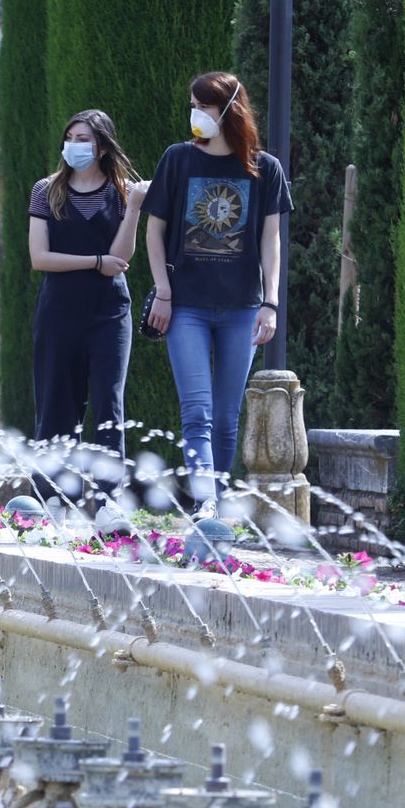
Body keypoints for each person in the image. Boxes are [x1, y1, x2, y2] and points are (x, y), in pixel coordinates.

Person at [141, 72, 293, 520]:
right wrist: (164, 292)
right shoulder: (177, 159)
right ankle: (206, 499)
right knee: (197, 409)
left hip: (243, 308)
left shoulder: (265, 168)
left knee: (227, 416)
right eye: (193, 105)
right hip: (184, 305)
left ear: (229, 109)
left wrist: (271, 302)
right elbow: (155, 231)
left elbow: (271, 241)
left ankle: (217, 501)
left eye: (203, 106)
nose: (195, 115)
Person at [28, 109, 148, 507]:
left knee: (108, 403)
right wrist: (94, 262)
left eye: (84, 139)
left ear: (102, 146)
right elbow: (39, 257)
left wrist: (133, 208)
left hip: (109, 311)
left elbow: (122, 257)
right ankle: (52, 498)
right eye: (71, 137)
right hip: (59, 310)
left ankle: (110, 502)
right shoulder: (46, 190)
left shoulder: (121, 192)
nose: (75, 146)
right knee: (56, 402)